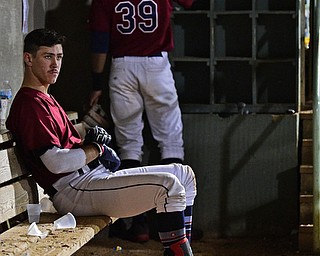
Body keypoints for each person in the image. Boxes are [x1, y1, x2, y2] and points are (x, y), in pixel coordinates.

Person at [6, 28, 197, 256]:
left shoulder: (45, 97)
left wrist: (89, 140)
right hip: (73, 190)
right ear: (28, 58)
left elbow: (66, 146)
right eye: (47, 56)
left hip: (88, 179)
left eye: (59, 57)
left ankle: (181, 250)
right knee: (168, 185)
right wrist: (96, 149)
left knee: (184, 174)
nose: (55, 64)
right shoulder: (30, 104)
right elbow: (55, 163)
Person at [87, 0, 195, 242]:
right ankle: (174, 225)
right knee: (170, 142)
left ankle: (139, 225)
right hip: (156, 64)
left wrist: (96, 83)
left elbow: (100, 41)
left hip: (122, 64)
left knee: (129, 145)